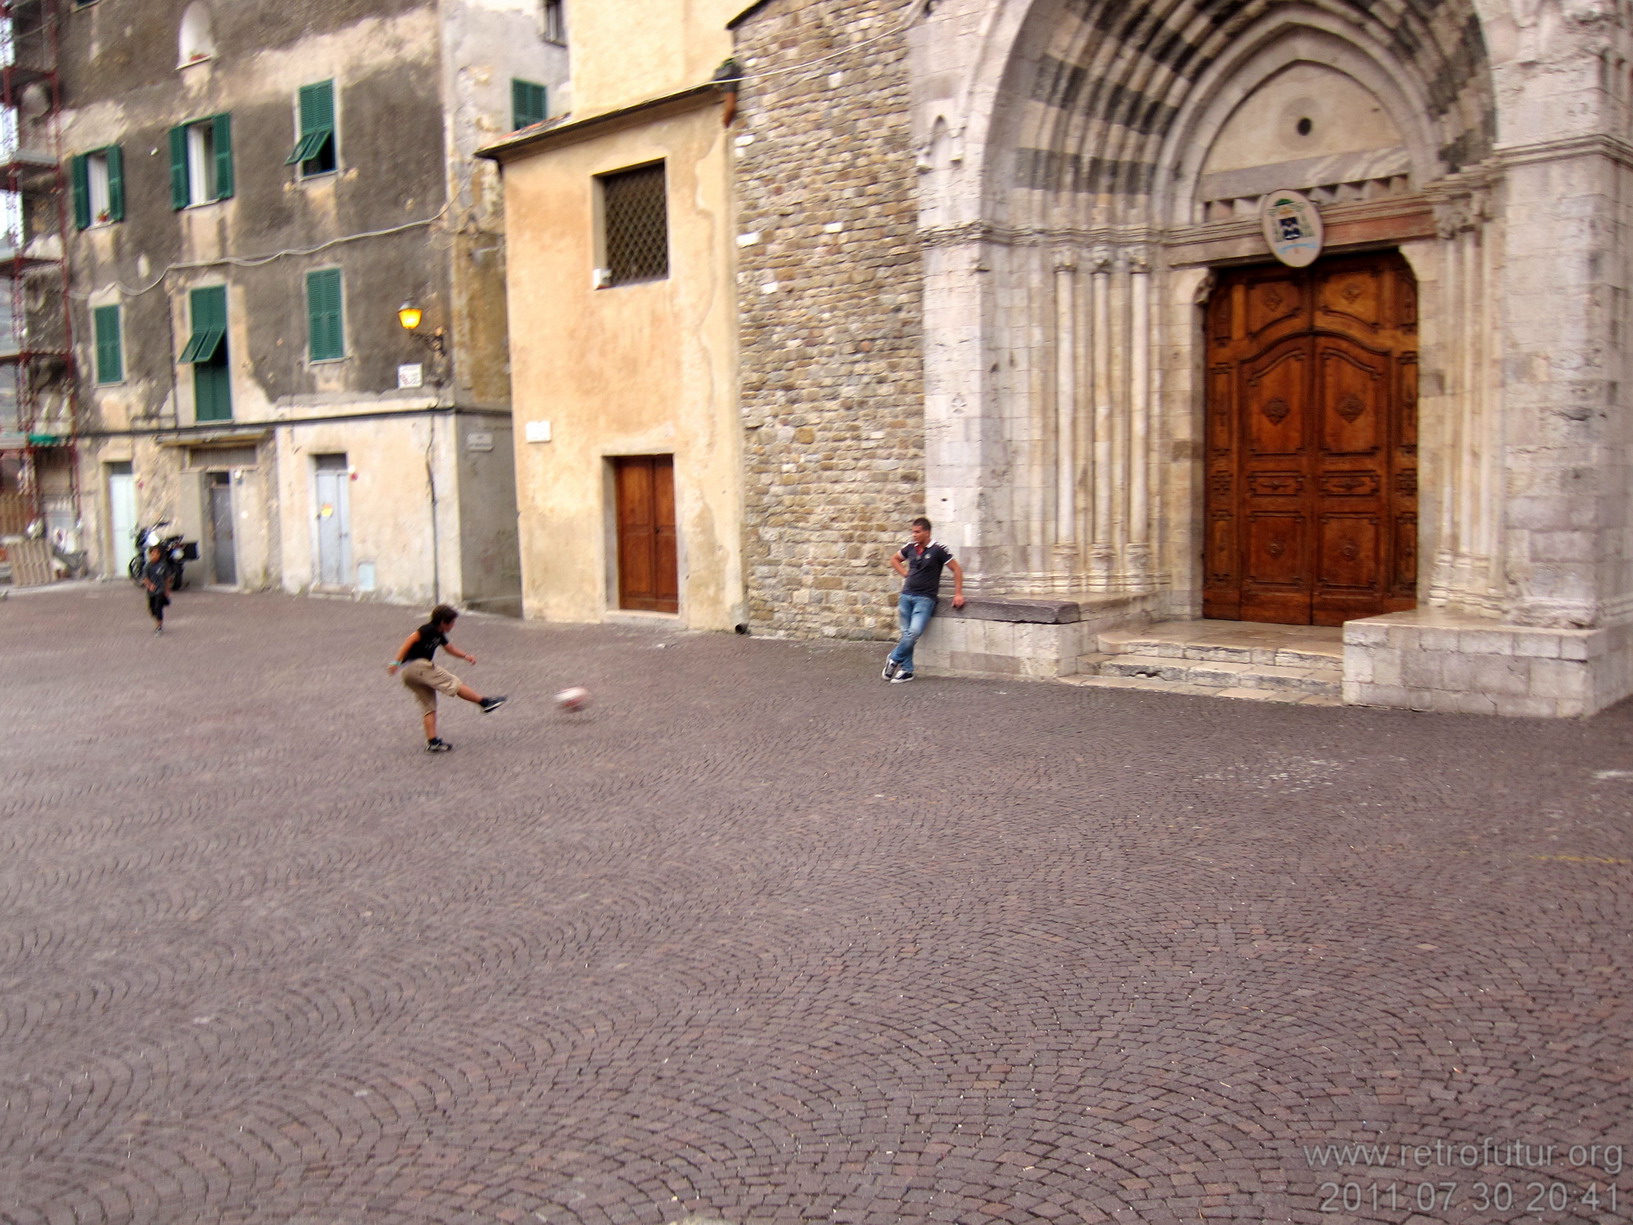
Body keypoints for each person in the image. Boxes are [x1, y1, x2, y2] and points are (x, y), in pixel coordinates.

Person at [387, 604, 507, 752]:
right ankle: (485, 703)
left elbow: (450, 649)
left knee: (429, 705)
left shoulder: (439, 634)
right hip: (418, 666)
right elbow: (409, 641)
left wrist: (465, 656)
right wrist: (395, 662)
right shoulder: (428, 629)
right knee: (453, 682)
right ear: (443, 622)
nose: (454, 625)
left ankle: (433, 741)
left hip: (409, 674)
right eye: (452, 622)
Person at [882, 516, 964, 683]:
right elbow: (894, 559)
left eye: (917, 532)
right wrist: (906, 574)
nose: (914, 535)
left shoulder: (938, 550)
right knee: (906, 633)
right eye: (913, 532)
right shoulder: (910, 547)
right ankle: (907, 670)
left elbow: (956, 569)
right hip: (906, 595)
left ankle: (894, 657)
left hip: (925, 598)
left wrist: (958, 593)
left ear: (927, 532)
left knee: (914, 632)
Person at [140, 544, 170, 634]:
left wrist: (167, 590)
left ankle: (159, 627)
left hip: (160, 590)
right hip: (151, 592)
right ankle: (156, 617)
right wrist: (150, 585)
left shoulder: (163, 565)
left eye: (156, 553)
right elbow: (145, 579)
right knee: (152, 610)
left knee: (158, 608)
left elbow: (167, 578)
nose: (154, 555)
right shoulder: (147, 566)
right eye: (152, 554)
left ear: (159, 554)